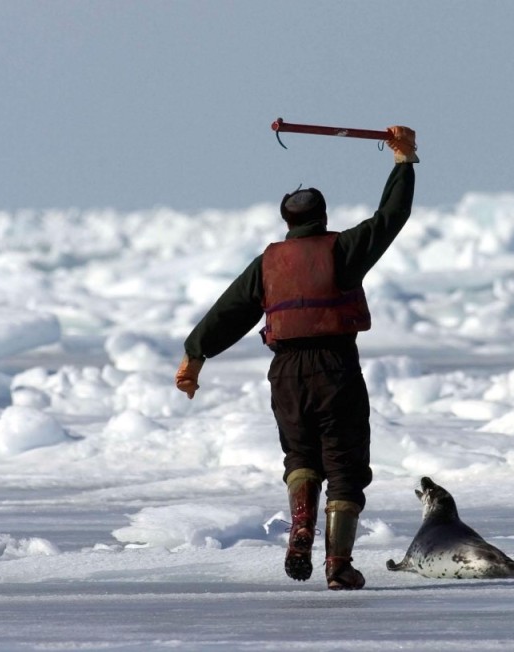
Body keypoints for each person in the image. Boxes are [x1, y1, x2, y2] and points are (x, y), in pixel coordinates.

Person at [174, 126, 417, 590]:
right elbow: (391, 216)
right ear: (323, 217)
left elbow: (230, 310)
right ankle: (338, 565)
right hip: (335, 367)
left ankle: (301, 524)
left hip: (286, 373)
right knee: (344, 466)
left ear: (286, 222)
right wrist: (403, 161)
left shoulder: (269, 262)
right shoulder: (342, 249)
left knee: (301, 456)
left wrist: (195, 354)